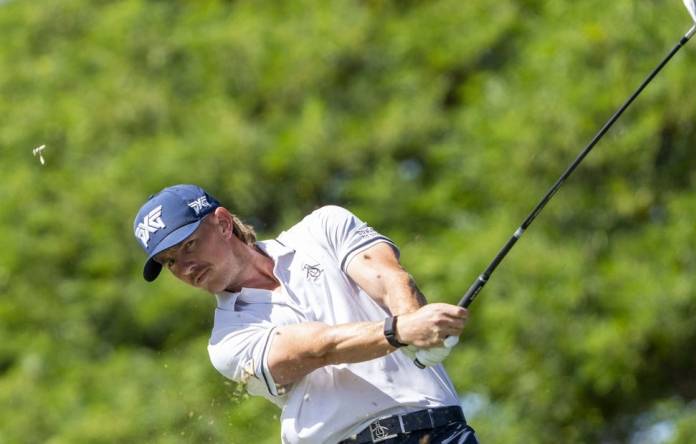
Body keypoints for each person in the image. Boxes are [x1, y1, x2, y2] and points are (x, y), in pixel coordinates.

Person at [133, 184, 478, 444]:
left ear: (223, 223)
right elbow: (317, 348)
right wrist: (400, 331)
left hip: (441, 430)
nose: (185, 267)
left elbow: (389, 278)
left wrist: (418, 328)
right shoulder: (226, 341)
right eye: (171, 262)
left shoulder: (322, 228)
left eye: (189, 245)